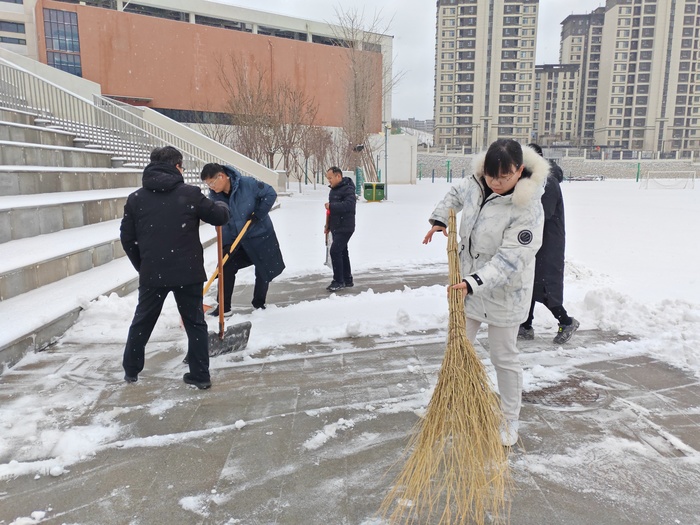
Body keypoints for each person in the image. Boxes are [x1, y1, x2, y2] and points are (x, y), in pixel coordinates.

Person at [423, 139, 549, 446]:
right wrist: (441, 219)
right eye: (492, 176)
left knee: (502, 356)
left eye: (504, 177)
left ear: (519, 171)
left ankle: (510, 418)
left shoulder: (528, 207)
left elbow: (511, 259)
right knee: (457, 345)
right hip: (468, 287)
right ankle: (450, 403)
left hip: (505, 293)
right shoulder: (476, 183)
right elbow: (456, 194)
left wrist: (474, 282)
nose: (497, 182)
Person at [120, 146, 230, 390]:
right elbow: (219, 217)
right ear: (177, 166)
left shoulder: (136, 198)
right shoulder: (189, 194)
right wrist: (222, 207)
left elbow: (127, 239)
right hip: (187, 272)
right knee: (194, 323)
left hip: (153, 273)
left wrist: (144, 265)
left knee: (143, 321)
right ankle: (200, 375)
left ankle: (131, 370)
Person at [200, 163, 285, 314]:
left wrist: (259, 213)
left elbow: (270, 193)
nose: (211, 187)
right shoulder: (215, 197)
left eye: (212, 183)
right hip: (239, 240)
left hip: (261, 235)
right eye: (208, 184)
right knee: (226, 266)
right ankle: (224, 308)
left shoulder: (248, 184)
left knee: (262, 269)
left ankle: (259, 304)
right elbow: (223, 223)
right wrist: (226, 245)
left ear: (221, 176)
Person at [518, 143, 579, 344]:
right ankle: (526, 325)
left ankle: (566, 321)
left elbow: (542, 214)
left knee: (545, 285)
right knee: (528, 283)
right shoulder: (531, 180)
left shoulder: (548, 182)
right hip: (534, 241)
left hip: (548, 243)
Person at [324, 166, 356, 292]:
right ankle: (347, 279)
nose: (329, 181)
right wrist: (328, 226)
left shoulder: (348, 189)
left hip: (345, 226)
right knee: (342, 252)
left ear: (338, 176)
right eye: (328, 178)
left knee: (335, 251)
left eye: (330, 178)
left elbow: (349, 205)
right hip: (336, 226)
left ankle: (338, 281)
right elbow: (331, 212)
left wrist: (331, 206)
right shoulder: (333, 190)